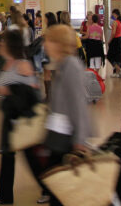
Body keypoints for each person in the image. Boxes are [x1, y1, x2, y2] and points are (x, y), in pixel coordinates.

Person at [34, 24, 92, 206]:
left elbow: (78, 104)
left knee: (61, 188)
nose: (45, 45)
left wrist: (80, 139)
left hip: (67, 137)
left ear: (58, 44)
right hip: (58, 132)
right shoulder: (61, 65)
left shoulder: (71, 67)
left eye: (48, 41)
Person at [0, 29, 43, 206]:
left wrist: (9, 91)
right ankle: (4, 195)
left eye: (3, 41)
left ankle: (49, 188)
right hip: (10, 118)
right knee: (8, 156)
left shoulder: (23, 65)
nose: (0, 44)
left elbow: (34, 93)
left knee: (32, 159)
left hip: (22, 120)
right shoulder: (6, 63)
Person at [108, 9, 121, 77]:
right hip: (119, 39)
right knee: (117, 56)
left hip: (115, 40)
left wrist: (110, 40)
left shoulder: (115, 22)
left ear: (115, 14)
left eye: (112, 14)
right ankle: (117, 72)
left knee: (110, 56)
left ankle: (118, 69)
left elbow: (113, 33)